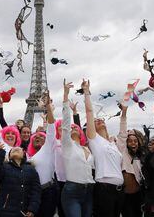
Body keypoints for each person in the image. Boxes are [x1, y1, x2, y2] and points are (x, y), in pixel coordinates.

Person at [84, 79, 124, 217]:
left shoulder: (113, 143)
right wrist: (87, 93)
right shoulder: (94, 140)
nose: (99, 119)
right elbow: (89, 112)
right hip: (104, 189)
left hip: (119, 190)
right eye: (95, 121)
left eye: (101, 119)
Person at [60, 79, 95, 217]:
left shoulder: (87, 149)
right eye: (72, 128)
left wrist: (87, 92)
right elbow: (66, 124)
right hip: (72, 190)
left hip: (89, 190)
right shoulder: (67, 145)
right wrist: (65, 96)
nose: (73, 128)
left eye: (76, 127)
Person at [0, 142, 41, 217]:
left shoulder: (31, 169)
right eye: (13, 149)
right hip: (5, 212)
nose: (16, 149)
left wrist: (32, 209)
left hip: (25, 212)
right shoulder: (4, 167)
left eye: (19, 149)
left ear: (24, 154)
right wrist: (0, 153)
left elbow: (36, 191)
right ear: (9, 156)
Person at [27, 92, 56, 217]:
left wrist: (48, 107)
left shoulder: (47, 149)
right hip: (32, 192)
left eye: (41, 136)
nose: (37, 136)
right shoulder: (28, 156)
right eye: (35, 137)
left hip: (47, 191)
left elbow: (51, 128)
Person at [116, 102, 145, 217]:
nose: (133, 143)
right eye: (130, 141)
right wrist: (124, 112)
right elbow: (123, 131)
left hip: (138, 194)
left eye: (135, 141)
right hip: (124, 195)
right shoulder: (123, 152)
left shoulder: (140, 157)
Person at [0, 91, 21, 158]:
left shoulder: (19, 151)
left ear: (17, 137)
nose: (10, 135)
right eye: (7, 133)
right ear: (3, 135)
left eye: (13, 134)